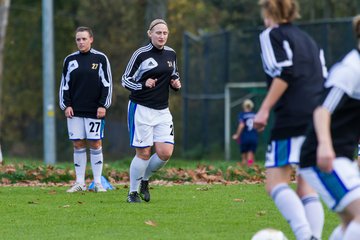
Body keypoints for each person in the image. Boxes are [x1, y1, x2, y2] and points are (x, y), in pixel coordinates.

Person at [253, 0, 326, 239]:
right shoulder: (309, 40)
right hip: (317, 116)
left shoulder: (270, 35)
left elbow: (285, 72)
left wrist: (264, 110)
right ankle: (313, 235)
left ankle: (306, 235)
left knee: (275, 183)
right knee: (306, 185)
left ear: (267, 11)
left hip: (292, 118)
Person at [299, 15, 360, 240]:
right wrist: (325, 146)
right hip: (321, 158)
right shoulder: (351, 69)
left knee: (349, 224)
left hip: (341, 158)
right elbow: (322, 110)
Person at [121, 19, 181, 203]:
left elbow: (174, 74)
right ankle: (132, 193)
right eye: (158, 33)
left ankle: (144, 180)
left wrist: (176, 83)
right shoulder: (140, 54)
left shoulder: (171, 53)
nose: (162, 36)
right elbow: (125, 80)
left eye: (165, 33)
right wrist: (142, 84)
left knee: (165, 153)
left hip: (162, 110)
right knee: (144, 153)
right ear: (150, 34)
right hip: (141, 108)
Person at [59, 26, 113, 193]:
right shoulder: (69, 60)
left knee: (96, 143)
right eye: (78, 39)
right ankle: (79, 182)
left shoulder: (100, 58)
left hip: (95, 111)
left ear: (91, 39)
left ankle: (97, 182)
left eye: (84, 39)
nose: (81, 42)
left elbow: (107, 84)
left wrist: (103, 105)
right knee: (77, 144)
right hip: (74, 111)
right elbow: (64, 85)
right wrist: (66, 105)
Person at [232, 99, 258, 166]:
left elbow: (241, 125)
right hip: (254, 137)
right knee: (251, 154)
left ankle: (245, 169)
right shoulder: (255, 115)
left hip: (245, 137)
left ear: (244, 106)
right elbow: (259, 127)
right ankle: (250, 166)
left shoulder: (242, 115)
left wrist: (237, 135)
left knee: (244, 156)